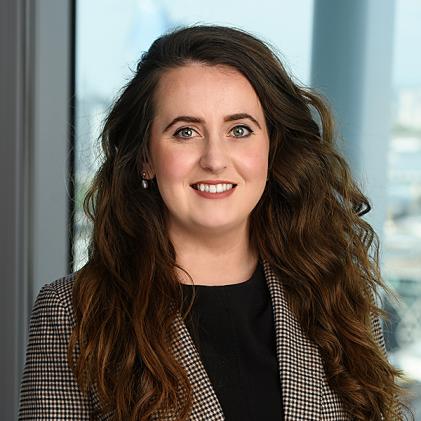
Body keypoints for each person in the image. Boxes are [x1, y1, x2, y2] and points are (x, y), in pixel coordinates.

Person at [19, 24, 411, 421]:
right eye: (185, 132)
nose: (215, 159)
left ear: (271, 148)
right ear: (145, 158)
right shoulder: (72, 313)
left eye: (239, 130)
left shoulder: (337, 294)